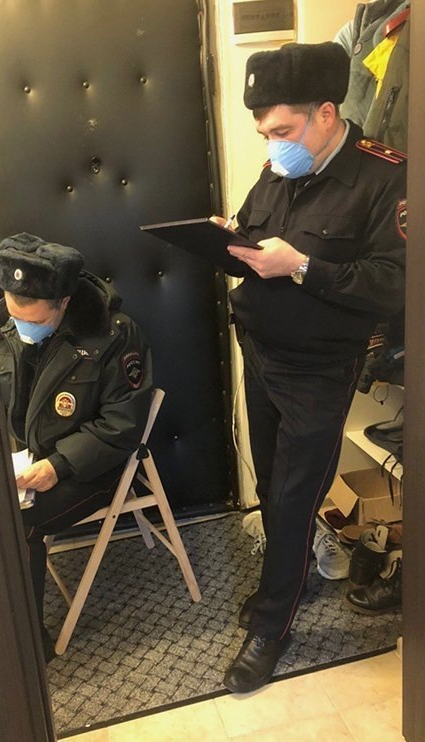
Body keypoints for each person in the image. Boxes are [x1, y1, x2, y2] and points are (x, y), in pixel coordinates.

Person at [215, 42, 406, 693]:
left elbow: (393, 285)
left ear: (326, 113)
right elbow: (251, 229)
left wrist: (300, 265)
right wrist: (226, 237)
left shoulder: (386, 177)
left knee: (294, 501)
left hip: (317, 370)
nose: (273, 147)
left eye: (283, 131)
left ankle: (272, 627)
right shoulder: (279, 168)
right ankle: (287, 583)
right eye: (264, 135)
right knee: (272, 485)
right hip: (261, 353)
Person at [0, 233, 153, 661]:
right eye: (13, 312)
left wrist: (58, 465)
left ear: (63, 302)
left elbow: (121, 426)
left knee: (14, 524)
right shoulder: (0, 323)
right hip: (27, 458)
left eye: (33, 318)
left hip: (93, 467)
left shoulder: (113, 335)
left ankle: (28, 645)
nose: (21, 326)